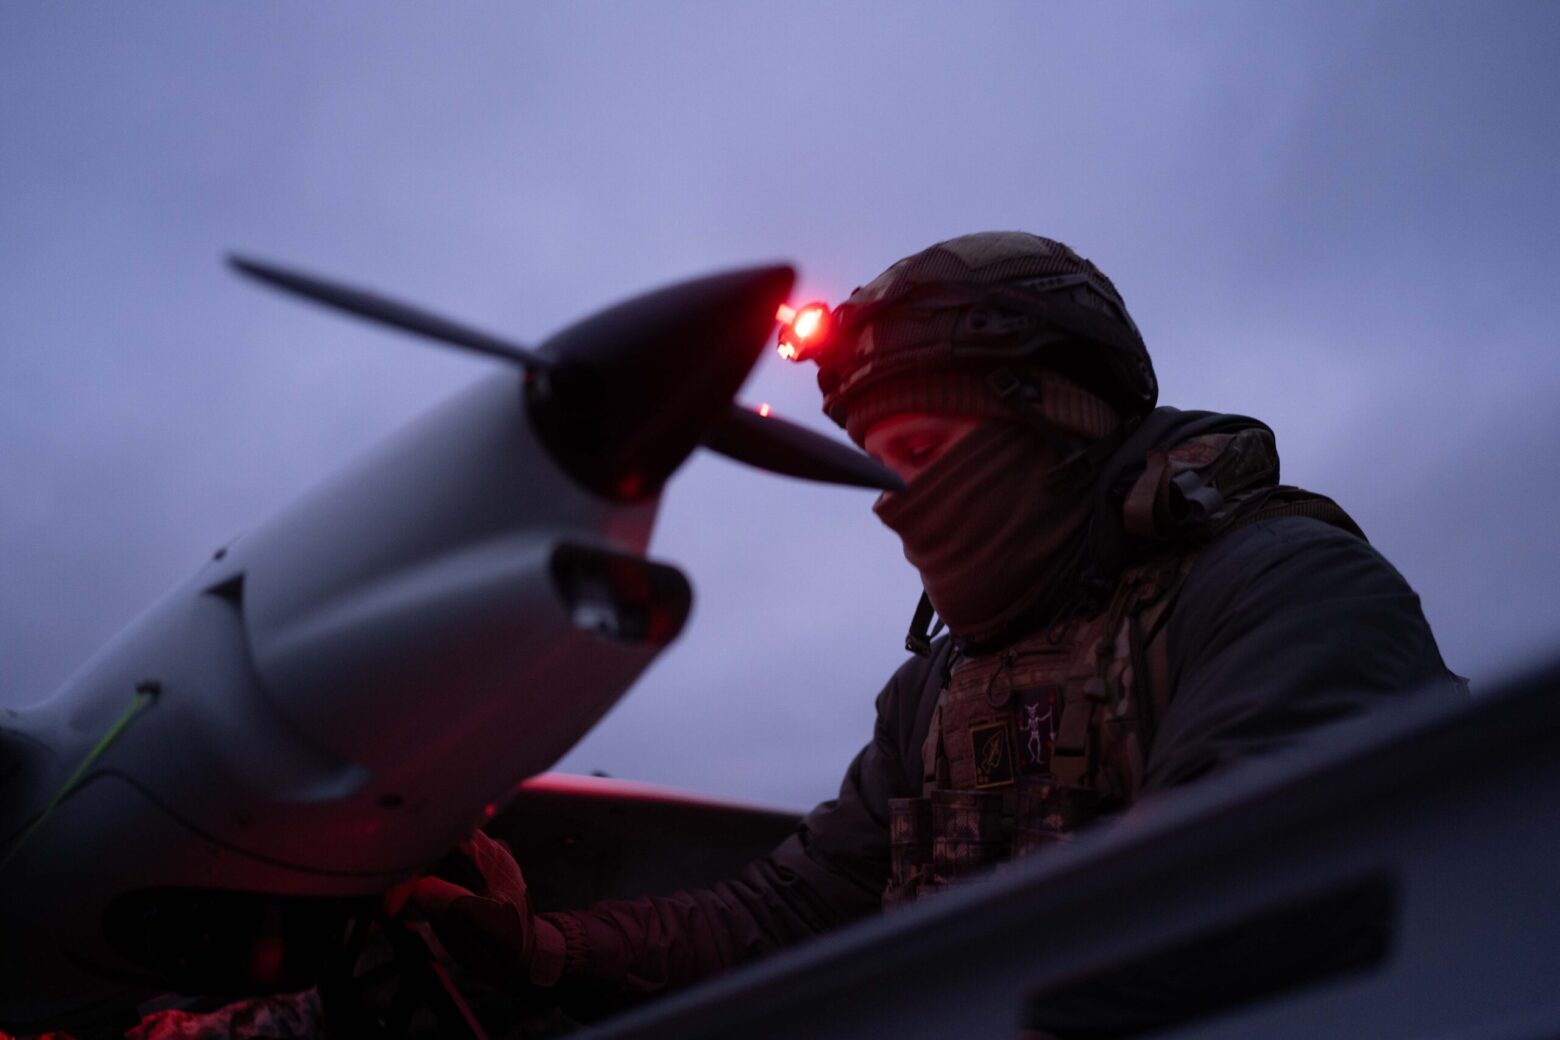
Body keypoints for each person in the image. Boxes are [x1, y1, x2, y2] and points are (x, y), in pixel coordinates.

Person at [395, 231, 1467, 1018]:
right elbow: (793, 906)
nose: (890, 501)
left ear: (1049, 419)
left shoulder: (1279, 587)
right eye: (878, 461)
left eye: (917, 448)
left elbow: (1227, 919)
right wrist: (549, 946)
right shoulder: (936, 687)